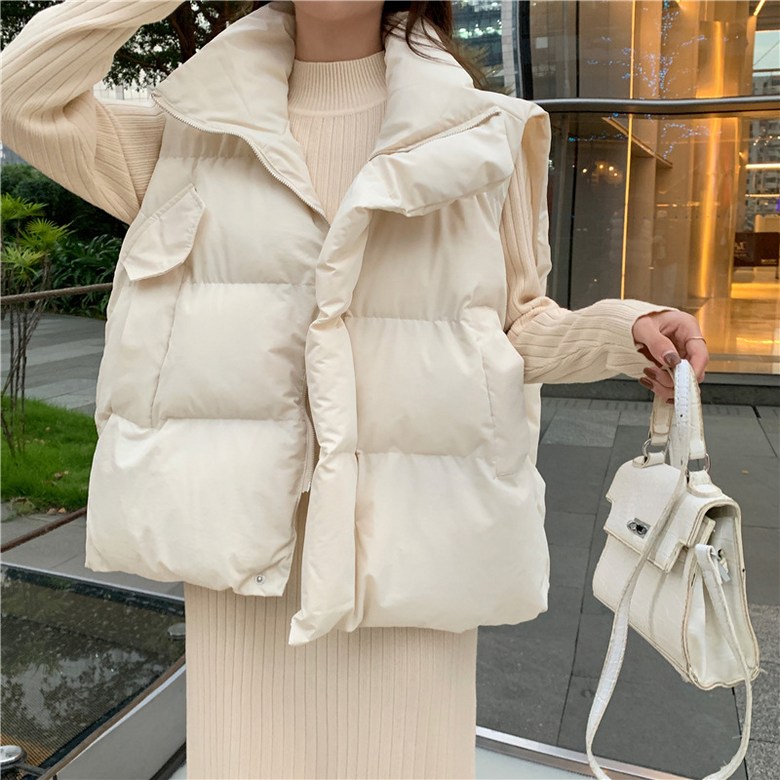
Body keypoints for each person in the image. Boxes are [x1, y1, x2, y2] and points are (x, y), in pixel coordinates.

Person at [1, 1, 709, 777]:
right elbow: (21, 95)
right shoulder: (190, 128)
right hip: (249, 552)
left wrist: (623, 331)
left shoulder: (487, 131)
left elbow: (514, 323)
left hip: (411, 537)